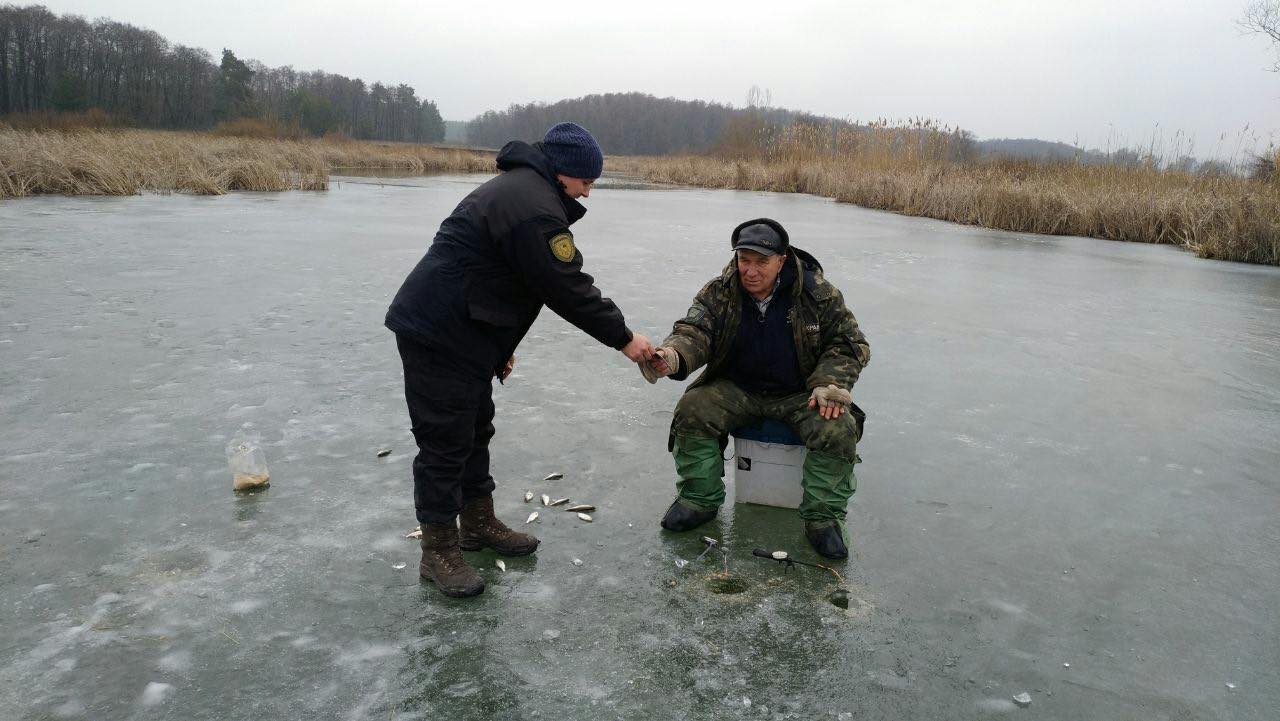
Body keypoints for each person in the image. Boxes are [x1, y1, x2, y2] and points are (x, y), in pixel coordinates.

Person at [385, 122, 655, 597]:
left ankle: (477, 524)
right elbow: (565, 287)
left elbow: (507, 279)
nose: (588, 193)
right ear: (563, 172)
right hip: (439, 333)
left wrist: (499, 348)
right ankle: (439, 551)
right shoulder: (533, 208)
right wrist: (625, 339)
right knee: (445, 443)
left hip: (468, 332)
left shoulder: (526, 192)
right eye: (586, 182)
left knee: (474, 429)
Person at [641, 218, 869, 559]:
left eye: (761, 262)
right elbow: (694, 330)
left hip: (800, 392)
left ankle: (823, 520)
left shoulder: (817, 293)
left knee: (837, 426)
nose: (750, 270)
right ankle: (698, 499)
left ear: (782, 259)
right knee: (693, 408)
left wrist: (829, 383)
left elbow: (849, 343)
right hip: (739, 388)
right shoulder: (720, 290)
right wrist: (672, 356)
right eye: (744, 260)